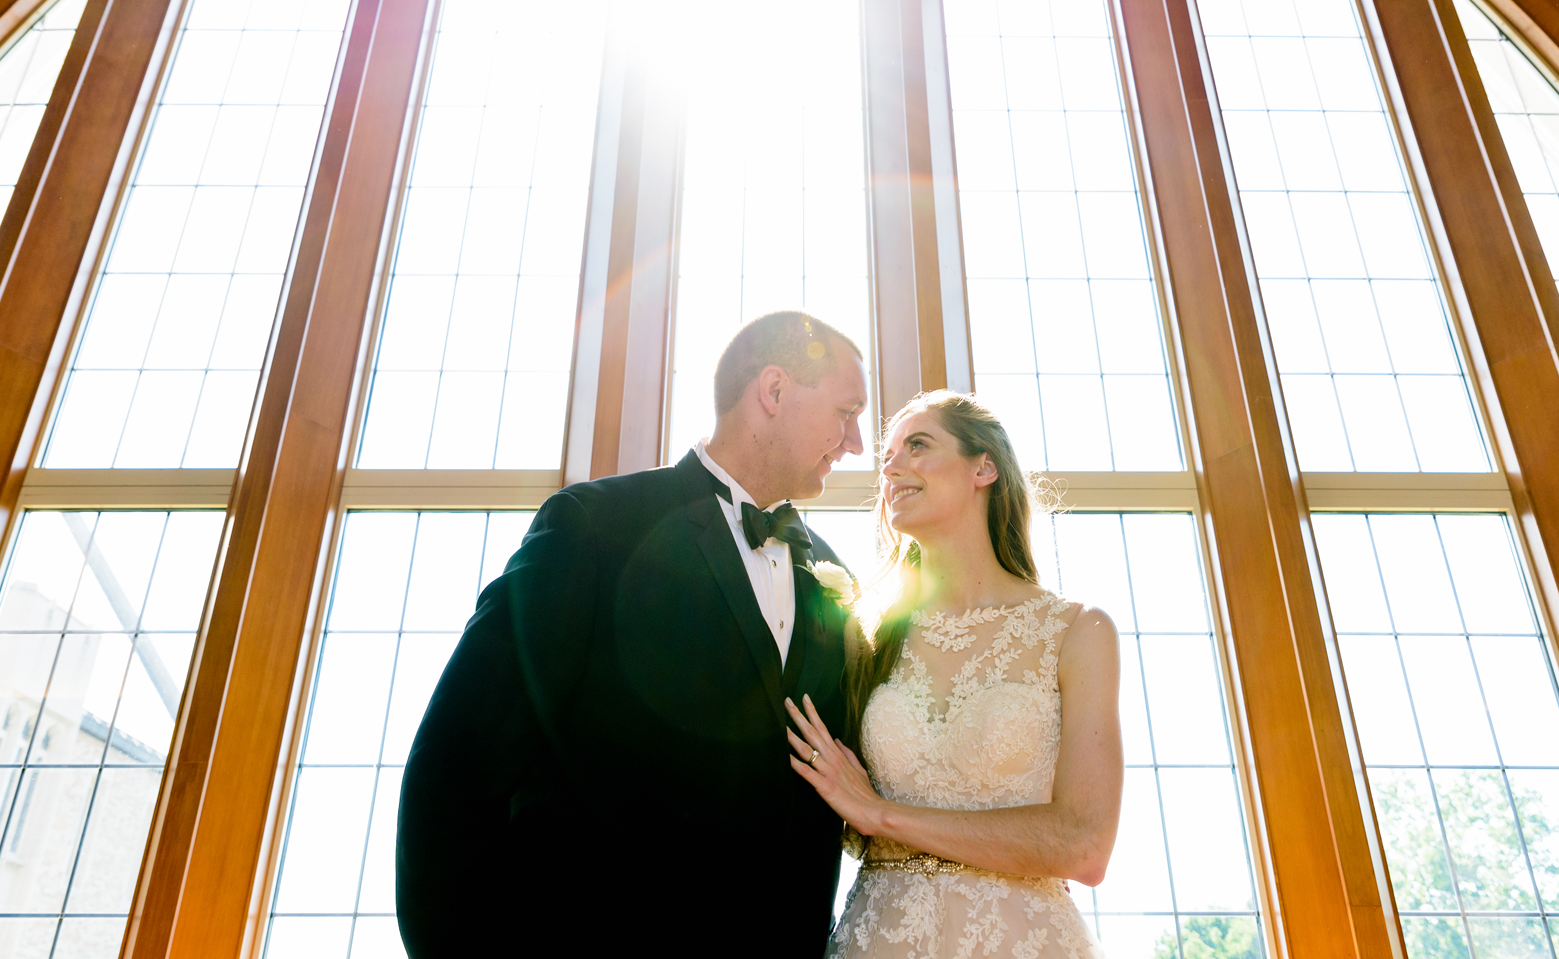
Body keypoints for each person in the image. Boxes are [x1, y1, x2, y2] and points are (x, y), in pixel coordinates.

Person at [396, 310, 868, 958]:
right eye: (846, 412)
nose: (856, 443)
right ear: (775, 391)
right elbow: (458, 764)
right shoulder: (595, 525)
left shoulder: (833, 573)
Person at [784, 390, 1123, 959]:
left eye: (916, 445)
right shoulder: (862, 636)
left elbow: (1085, 845)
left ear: (983, 466)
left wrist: (880, 813)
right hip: (877, 938)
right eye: (888, 456)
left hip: (1023, 942)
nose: (890, 466)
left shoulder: (1077, 631)